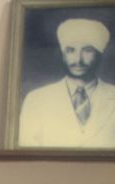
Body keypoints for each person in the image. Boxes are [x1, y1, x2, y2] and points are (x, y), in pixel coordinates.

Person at [19, 17, 115, 147]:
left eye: (87, 50)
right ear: (63, 54)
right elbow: (27, 152)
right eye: (70, 50)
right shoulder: (36, 99)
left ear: (100, 54)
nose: (78, 60)